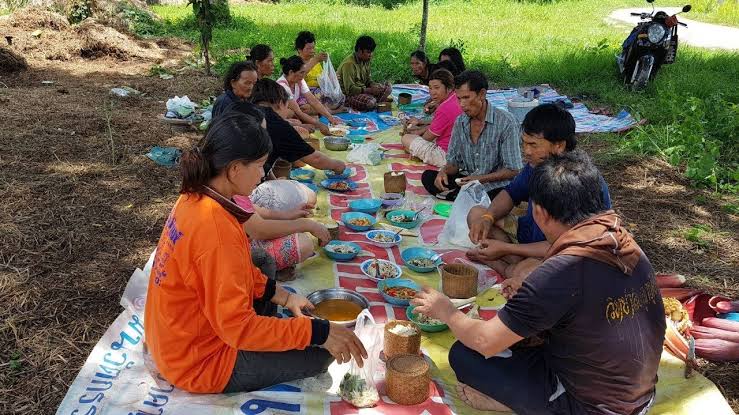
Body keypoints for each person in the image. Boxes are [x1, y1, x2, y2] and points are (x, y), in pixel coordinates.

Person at [412, 151, 665, 415]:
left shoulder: (561, 271)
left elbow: (485, 340)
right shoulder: (624, 243)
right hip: (638, 394)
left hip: (593, 408)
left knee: (465, 355)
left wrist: (445, 310)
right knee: (516, 339)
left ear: (539, 212)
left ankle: (513, 404)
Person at [145, 110, 367, 394]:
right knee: (323, 353)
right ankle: (269, 341)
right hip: (199, 362)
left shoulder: (197, 194)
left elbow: (238, 268)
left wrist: (285, 296)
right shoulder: (216, 231)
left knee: (261, 261)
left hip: (175, 336)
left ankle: (272, 332)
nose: (263, 174)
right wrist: (319, 332)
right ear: (235, 169)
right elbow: (238, 329)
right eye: (260, 165)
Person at [466, 103, 612, 294]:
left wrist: (505, 249)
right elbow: (510, 193)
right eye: (524, 143)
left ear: (559, 145)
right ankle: (514, 263)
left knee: (528, 274)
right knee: (476, 214)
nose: (526, 151)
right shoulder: (537, 165)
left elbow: (562, 244)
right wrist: (488, 218)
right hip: (532, 238)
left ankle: (504, 266)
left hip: (561, 251)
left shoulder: (572, 181)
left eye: (533, 145)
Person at [421, 70, 522, 201]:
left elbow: (513, 170)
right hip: (468, 180)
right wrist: (443, 171)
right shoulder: (460, 122)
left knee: (502, 195)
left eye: (466, 97)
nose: (462, 104)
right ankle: (463, 197)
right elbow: (454, 163)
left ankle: (461, 197)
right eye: (458, 99)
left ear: (482, 94)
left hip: (494, 185)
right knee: (428, 177)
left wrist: (479, 179)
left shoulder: (506, 122)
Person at [251, 78, 345, 176]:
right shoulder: (278, 126)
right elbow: (315, 159)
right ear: (281, 103)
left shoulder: (246, 110)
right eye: (288, 108)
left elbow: (260, 160)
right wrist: (337, 165)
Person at [400, 69, 462, 168]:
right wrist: (420, 123)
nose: (432, 92)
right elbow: (442, 123)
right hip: (460, 150)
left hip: (447, 157)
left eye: (437, 88)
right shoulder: (456, 97)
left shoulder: (444, 108)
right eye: (430, 88)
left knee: (406, 138)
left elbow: (427, 138)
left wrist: (417, 134)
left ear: (449, 88)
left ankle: (417, 154)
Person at [277, 55, 343, 127]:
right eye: (301, 72)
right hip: (282, 115)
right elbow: (298, 112)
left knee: (308, 110)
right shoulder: (282, 86)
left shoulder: (299, 80)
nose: (303, 75)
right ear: (291, 72)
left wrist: (330, 118)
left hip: (295, 110)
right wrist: (321, 126)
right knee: (294, 116)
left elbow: (313, 100)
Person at [337, 35, 392, 111]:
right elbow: (349, 90)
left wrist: (373, 84)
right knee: (370, 102)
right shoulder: (349, 64)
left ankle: (375, 102)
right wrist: (370, 90)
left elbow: (368, 80)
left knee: (388, 87)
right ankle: (376, 103)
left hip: (364, 91)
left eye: (372, 52)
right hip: (348, 96)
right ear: (360, 50)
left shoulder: (366, 60)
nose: (371, 55)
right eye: (368, 52)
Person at [295, 30, 345, 111]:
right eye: (309, 48)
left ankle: (325, 109)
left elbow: (321, 79)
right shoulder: (296, 62)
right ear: (299, 50)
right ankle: (327, 110)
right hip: (305, 93)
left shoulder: (316, 63)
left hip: (319, 91)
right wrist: (315, 60)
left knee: (338, 96)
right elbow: (298, 78)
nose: (312, 50)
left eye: (313, 48)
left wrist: (330, 79)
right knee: (309, 104)